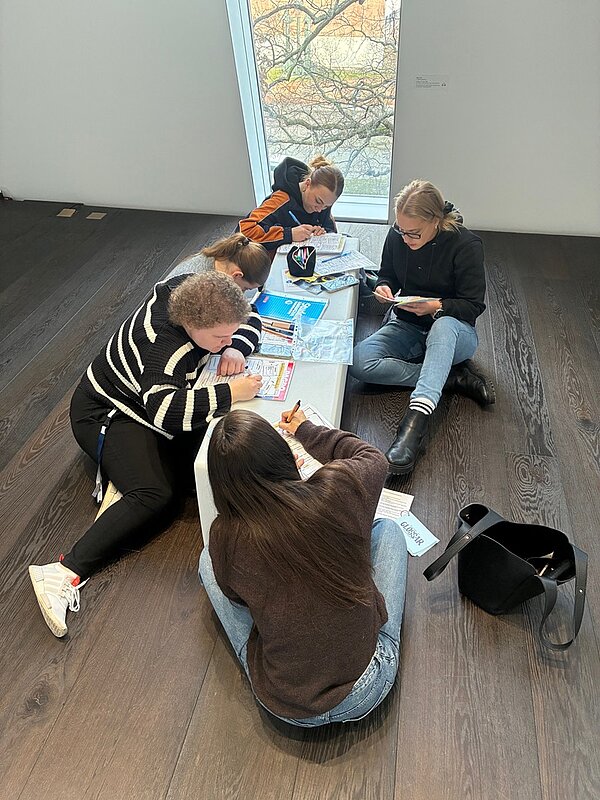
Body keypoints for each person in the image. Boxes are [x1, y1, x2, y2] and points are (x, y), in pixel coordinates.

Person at [29, 272, 263, 637]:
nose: (227, 339)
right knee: (157, 495)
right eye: (220, 337)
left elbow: (253, 318)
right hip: (107, 413)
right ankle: (62, 570)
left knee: (198, 469)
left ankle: (123, 481)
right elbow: (165, 410)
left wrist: (235, 347)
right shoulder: (166, 347)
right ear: (193, 325)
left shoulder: (194, 294)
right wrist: (231, 393)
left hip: (145, 402)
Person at [199, 407, 408, 726]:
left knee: (206, 562)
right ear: (283, 456)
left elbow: (236, 599)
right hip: (366, 686)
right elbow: (373, 458)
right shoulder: (334, 490)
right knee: (388, 531)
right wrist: (307, 431)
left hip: (286, 706)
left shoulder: (224, 536)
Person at [350, 179, 495, 474]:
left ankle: (413, 428)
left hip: (454, 334)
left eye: (413, 233)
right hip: (407, 324)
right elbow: (387, 274)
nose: (405, 238)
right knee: (358, 363)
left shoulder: (466, 246)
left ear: (436, 221)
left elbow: (472, 306)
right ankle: (447, 379)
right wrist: (385, 288)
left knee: (443, 326)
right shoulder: (397, 236)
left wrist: (436, 306)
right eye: (401, 230)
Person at [238, 155, 344, 254]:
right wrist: (289, 234)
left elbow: (331, 231)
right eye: (318, 201)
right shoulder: (281, 200)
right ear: (307, 184)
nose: (320, 209)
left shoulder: (322, 201)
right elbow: (244, 230)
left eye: (327, 206)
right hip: (266, 260)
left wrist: (322, 232)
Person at [170, 232, 271, 290]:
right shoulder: (205, 286)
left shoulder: (221, 257)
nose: (242, 292)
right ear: (237, 275)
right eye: (245, 289)